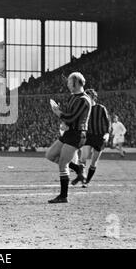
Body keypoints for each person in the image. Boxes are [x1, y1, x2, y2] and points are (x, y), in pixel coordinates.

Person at [45, 72, 92, 203]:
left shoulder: (84, 100)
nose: (67, 85)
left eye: (69, 82)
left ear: (76, 83)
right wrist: (62, 117)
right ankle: (78, 168)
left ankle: (63, 196)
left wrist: (57, 112)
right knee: (50, 155)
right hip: (69, 133)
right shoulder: (73, 97)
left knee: (63, 164)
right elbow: (69, 115)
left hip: (77, 134)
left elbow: (71, 117)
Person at [71, 89, 110, 188]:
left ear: (93, 97)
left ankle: (86, 181)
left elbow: (107, 122)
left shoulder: (101, 108)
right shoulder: (84, 109)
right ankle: (81, 176)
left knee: (94, 162)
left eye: (88, 96)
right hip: (88, 136)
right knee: (83, 158)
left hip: (99, 137)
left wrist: (107, 134)